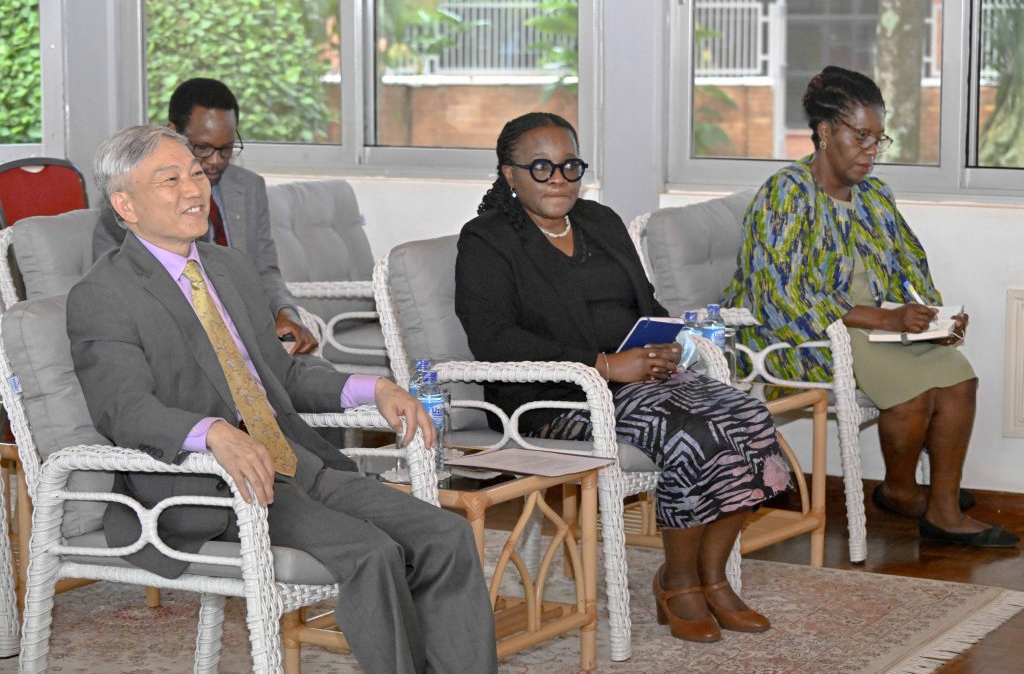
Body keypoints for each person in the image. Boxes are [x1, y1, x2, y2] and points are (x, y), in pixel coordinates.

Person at [69, 124, 498, 674]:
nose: (194, 190)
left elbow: (283, 375)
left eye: (196, 173)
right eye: (169, 180)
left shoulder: (228, 268)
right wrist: (213, 432)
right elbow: (123, 409)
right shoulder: (103, 295)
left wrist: (377, 387)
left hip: (297, 461)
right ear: (124, 204)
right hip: (214, 489)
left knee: (445, 533)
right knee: (372, 553)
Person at [455, 112, 791, 643]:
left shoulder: (600, 221)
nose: (559, 179)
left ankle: (714, 579)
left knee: (747, 415)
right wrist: (604, 366)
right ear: (509, 175)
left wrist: (663, 345)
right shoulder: (487, 240)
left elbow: (645, 302)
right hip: (555, 401)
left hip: (636, 378)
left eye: (569, 166)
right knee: (689, 432)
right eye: (540, 167)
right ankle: (677, 582)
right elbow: (494, 339)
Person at [723, 66, 1018, 548]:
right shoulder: (787, 192)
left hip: (875, 326)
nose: (870, 152)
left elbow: (909, 265)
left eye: (879, 140)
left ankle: (939, 505)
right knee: (915, 391)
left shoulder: (874, 196)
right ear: (824, 132)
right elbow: (781, 295)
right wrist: (884, 318)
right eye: (861, 136)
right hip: (807, 334)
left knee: (958, 376)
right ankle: (904, 492)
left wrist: (932, 316)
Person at [92, 78, 318, 355]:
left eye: (226, 149)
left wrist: (284, 311)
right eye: (202, 148)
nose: (215, 161)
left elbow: (265, 270)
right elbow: (118, 284)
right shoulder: (135, 196)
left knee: (324, 381)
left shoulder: (249, 187)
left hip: (250, 331)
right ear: (173, 132)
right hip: (181, 338)